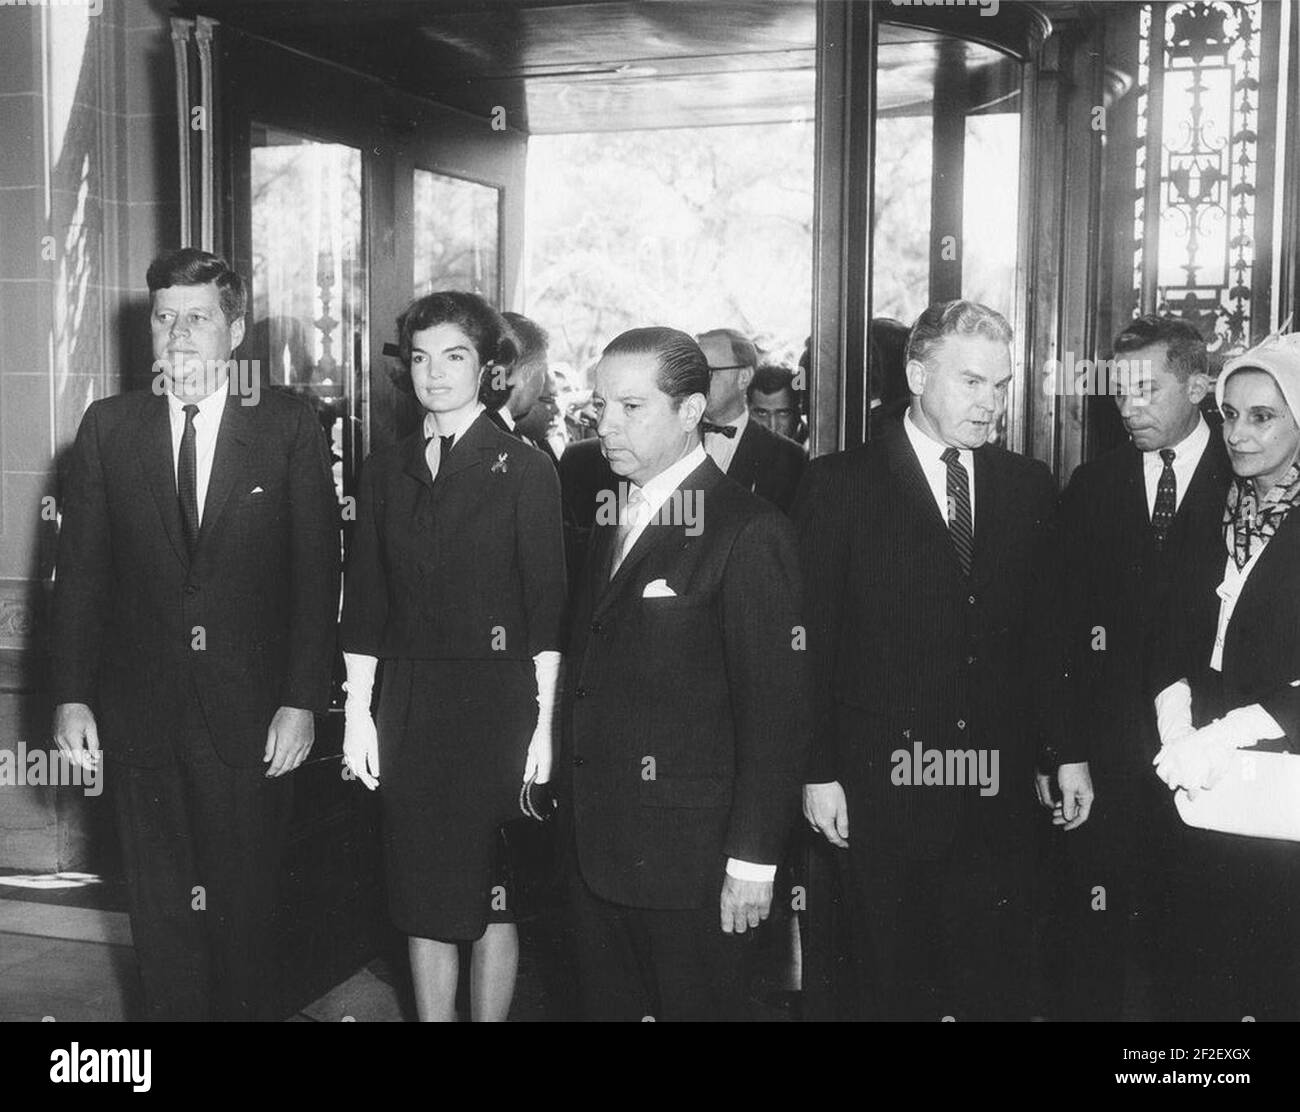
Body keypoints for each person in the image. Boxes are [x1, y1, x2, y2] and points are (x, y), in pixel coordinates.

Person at [50, 248, 340, 1020]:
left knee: (246, 920)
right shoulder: (110, 428)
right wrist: (72, 696)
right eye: (165, 317)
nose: (178, 335)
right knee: (161, 922)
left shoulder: (285, 426)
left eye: (199, 319)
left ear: (235, 331)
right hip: (140, 719)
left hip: (249, 721)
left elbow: (318, 575)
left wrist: (302, 700)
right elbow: (79, 576)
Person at [797, 300, 1057, 1021]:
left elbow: (1043, 638)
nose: (991, 404)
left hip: (996, 794)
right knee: (888, 989)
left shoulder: (1026, 484)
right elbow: (809, 644)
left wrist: (1056, 753)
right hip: (883, 789)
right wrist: (818, 771)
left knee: (991, 986)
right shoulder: (837, 486)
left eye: (1001, 386)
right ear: (916, 374)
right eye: (973, 382)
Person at [561, 326, 809, 1021]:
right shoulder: (614, 514)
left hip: (693, 870)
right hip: (597, 855)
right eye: (600, 403)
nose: (605, 424)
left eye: (631, 407)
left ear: (692, 411)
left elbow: (777, 713)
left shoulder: (750, 532)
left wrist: (753, 864)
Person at [339, 291, 566, 1022]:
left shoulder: (524, 470)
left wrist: (546, 722)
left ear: (488, 368)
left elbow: (547, 609)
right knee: (420, 890)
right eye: (421, 358)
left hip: (497, 707)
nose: (435, 374)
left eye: (455, 357)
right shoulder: (384, 471)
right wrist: (357, 713)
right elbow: (367, 601)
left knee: (490, 890)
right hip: (407, 705)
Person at [1041, 315, 1230, 1019]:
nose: (1129, 406)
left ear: (1200, 385)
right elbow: (1055, 636)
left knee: (1200, 954)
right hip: (1108, 772)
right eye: (1120, 392)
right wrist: (1064, 753)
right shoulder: (1092, 487)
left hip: (1211, 762)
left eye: (1148, 389)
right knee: (1093, 953)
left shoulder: (1248, 483)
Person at [1150, 332, 1300, 1021]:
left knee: (1270, 973)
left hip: (1280, 774)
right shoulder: (1212, 507)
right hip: (1199, 773)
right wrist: (1178, 724)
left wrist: (1225, 737)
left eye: (1262, 416)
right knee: (1192, 972)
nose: (1238, 433)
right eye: (1230, 414)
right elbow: (1170, 634)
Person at [697, 327, 806, 511]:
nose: (696, 381)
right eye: (693, 371)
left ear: (744, 377)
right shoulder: (672, 440)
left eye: (709, 372)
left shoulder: (787, 457)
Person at [747, 364, 804, 443]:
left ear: (798, 413)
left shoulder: (814, 449)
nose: (772, 427)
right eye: (762, 413)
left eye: (783, 413)